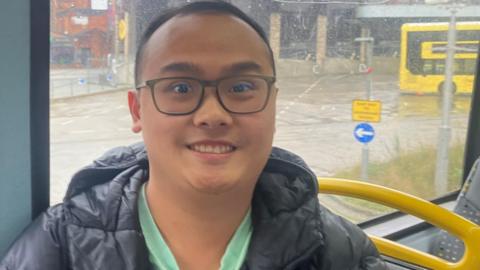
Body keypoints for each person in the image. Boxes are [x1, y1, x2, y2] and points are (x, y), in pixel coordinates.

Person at [1, 1, 387, 269]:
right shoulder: (55, 251)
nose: (213, 115)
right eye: (181, 88)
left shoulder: (341, 254)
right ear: (137, 110)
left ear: (272, 104)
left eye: (240, 88)